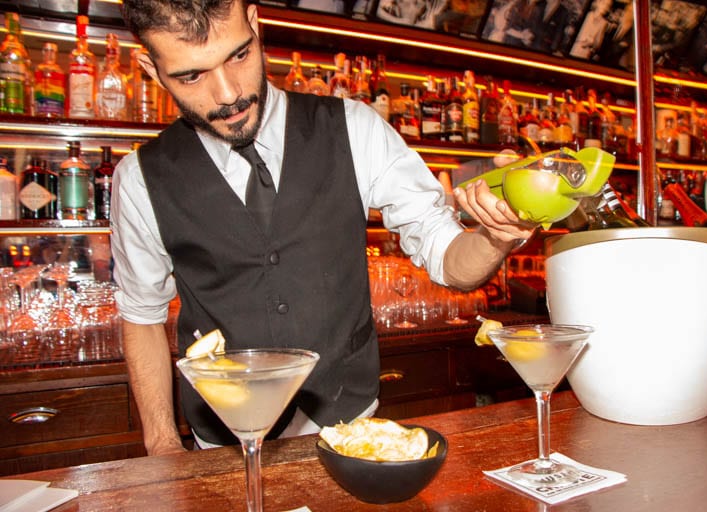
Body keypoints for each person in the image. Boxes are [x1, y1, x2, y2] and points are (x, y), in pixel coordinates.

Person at [114, 0, 535, 455]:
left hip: (349, 424)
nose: (228, 93)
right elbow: (142, 316)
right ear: (150, 67)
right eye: (192, 75)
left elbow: (451, 261)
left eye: (239, 55)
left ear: (255, 25)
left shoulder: (355, 128)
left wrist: (497, 235)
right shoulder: (140, 178)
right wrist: (161, 446)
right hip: (222, 442)